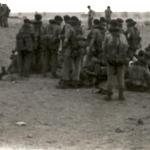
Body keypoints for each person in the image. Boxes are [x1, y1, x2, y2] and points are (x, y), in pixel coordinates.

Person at [103, 19, 128, 101]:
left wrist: (106, 56)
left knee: (110, 78)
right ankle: (121, 95)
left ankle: (109, 95)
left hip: (111, 59)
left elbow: (104, 48)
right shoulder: (123, 37)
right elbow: (127, 47)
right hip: (121, 59)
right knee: (121, 78)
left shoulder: (108, 37)